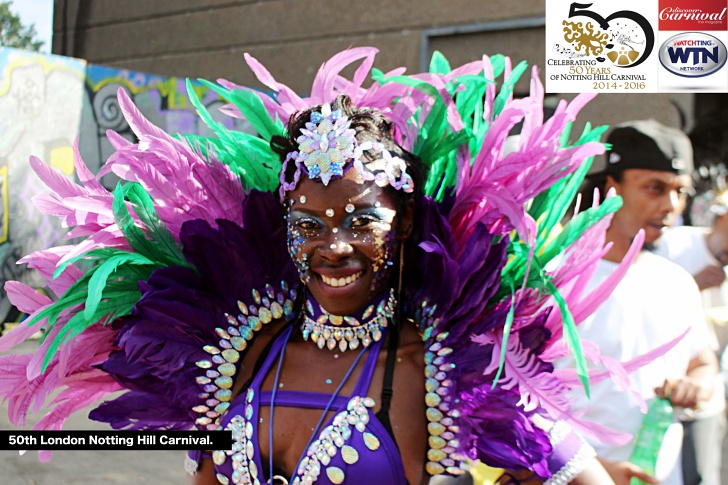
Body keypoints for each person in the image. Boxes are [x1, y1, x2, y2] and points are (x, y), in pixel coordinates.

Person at [0, 48, 632, 484]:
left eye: (361, 222)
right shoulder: (243, 349)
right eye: (309, 225)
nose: (333, 246)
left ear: (405, 223)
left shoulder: (448, 369)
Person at [570, 120, 719, 485]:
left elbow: (702, 362)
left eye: (679, 191)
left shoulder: (677, 281)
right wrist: (590, 474)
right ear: (611, 186)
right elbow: (516, 405)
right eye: (655, 188)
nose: (671, 205)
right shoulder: (555, 279)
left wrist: (695, 385)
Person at [653, 185, 728, 485]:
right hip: (655, 397)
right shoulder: (672, 245)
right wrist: (692, 285)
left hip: (704, 400)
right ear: (722, 219)